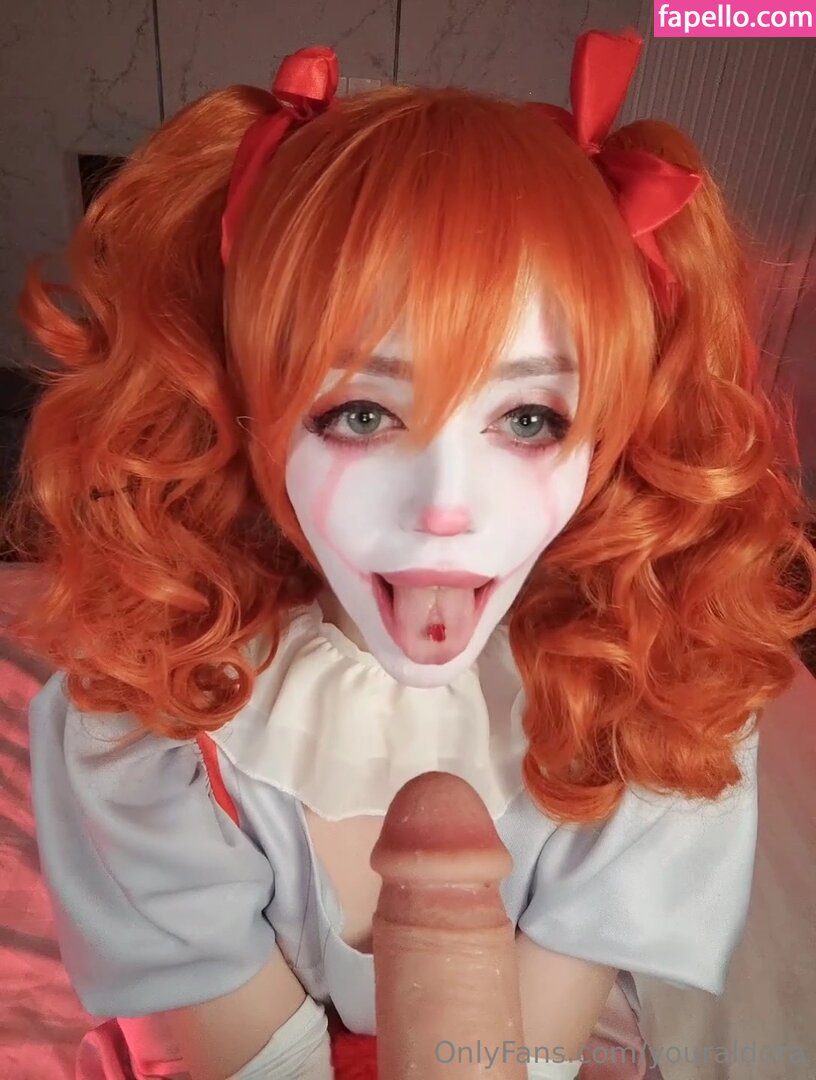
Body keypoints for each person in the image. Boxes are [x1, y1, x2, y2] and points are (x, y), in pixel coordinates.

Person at [6, 26, 815, 1080]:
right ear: (248, 414)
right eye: (361, 413)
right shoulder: (140, 732)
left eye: (530, 419)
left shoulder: (653, 712)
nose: (446, 508)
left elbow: (524, 1055)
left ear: (612, 435)